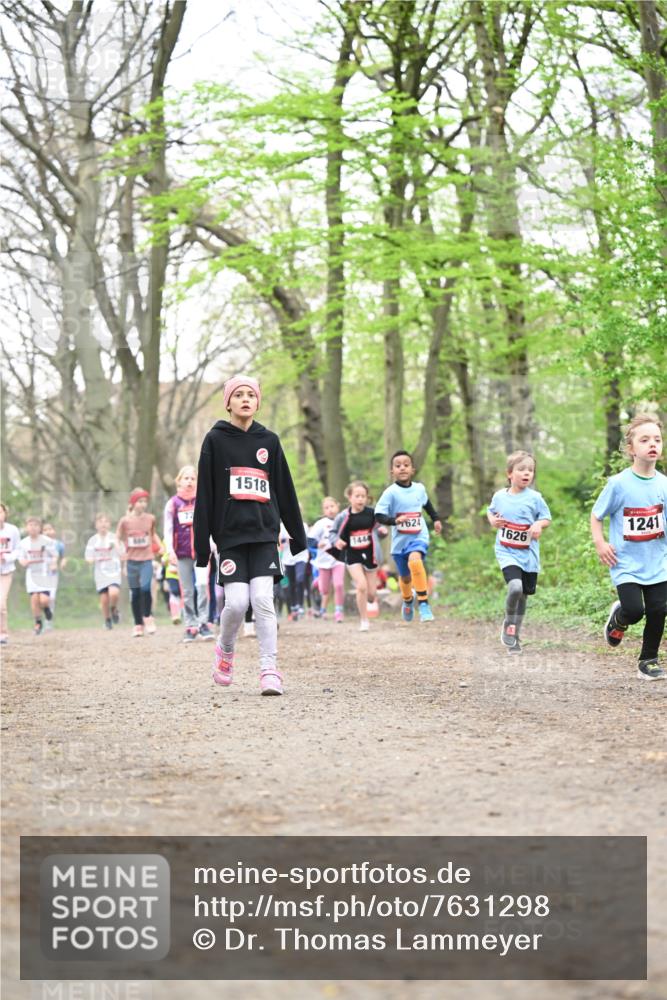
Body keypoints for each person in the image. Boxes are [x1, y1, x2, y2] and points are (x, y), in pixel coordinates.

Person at [194, 374, 307, 695]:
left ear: (258, 402)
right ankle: (225, 649)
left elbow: (284, 489)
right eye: (238, 395)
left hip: (263, 536)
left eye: (251, 395)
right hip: (229, 538)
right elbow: (205, 494)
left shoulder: (269, 441)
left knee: (262, 600)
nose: (245, 399)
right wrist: (203, 545)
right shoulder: (214, 441)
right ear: (228, 403)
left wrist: (298, 537)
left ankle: (269, 669)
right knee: (237, 602)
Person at [591, 414, 667, 681]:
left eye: (657, 439)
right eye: (644, 439)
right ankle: (619, 619)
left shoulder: (664, 484)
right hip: (626, 563)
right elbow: (597, 515)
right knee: (635, 610)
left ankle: (648, 660)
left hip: (658, 562)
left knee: (660, 609)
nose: (652, 444)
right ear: (631, 449)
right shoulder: (619, 484)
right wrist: (600, 543)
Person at [487, 451, 552, 654]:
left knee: (523, 596)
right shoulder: (499, 496)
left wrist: (538, 525)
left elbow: (546, 517)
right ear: (509, 474)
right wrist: (492, 521)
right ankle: (508, 623)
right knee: (515, 587)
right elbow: (491, 511)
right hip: (506, 551)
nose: (527, 474)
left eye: (530, 470)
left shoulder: (535, 498)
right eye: (521, 469)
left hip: (529, 555)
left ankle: (514, 635)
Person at [375, 451, 442, 623]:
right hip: (399, 543)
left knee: (415, 560)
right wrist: (394, 520)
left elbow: (426, 504)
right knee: (405, 577)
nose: (402, 468)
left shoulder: (419, 488)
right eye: (398, 466)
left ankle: (424, 603)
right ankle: (407, 600)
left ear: (413, 469)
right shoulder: (390, 493)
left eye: (406, 465)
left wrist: (436, 519)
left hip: (418, 536)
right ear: (392, 472)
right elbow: (379, 515)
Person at [164, 465, 214, 643]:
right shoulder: (173, 503)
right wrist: (169, 550)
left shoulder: (204, 501)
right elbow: (168, 529)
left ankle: (204, 623)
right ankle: (190, 625)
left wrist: (212, 544)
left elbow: (211, 524)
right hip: (182, 552)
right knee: (187, 589)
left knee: (202, 585)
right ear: (179, 481)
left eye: (193, 478)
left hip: (201, 551)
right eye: (186, 478)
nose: (190, 481)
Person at [331, 481, 384, 631]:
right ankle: (364, 620)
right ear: (350, 497)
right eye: (357, 496)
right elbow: (333, 533)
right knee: (361, 586)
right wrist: (337, 541)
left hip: (370, 554)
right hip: (352, 555)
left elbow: (380, 529)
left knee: (371, 594)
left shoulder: (372, 513)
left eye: (363, 496)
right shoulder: (343, 516)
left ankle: (371, 599)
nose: (360, 499)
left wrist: (382, 532)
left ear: (367, 498)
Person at [116, 489, 162, 638]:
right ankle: (137, 624)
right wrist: (120, 552)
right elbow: (117, 538)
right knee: (135, 593)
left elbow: (153, 534)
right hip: (131, 561)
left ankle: (148, 616)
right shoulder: (125, 521)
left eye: (145, 501)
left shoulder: (150, 518)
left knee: (145, 588)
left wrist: (161, 547)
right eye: (140, 501)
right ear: (133, 503)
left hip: (146, 560)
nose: (143, 504)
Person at [17, 517, 58, 635]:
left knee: (44, 600)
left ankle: (46, 609)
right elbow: (21, 557)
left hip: (44, 574)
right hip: (31, 575)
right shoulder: (23, 543)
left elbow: (54, 554)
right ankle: (38, 622)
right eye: (30, 525)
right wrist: (23, 562)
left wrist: (54, 563)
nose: (33, 527)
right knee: (34, 599)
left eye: (35, 525)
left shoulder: (46, 541)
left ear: (40, 528)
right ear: (26, 527)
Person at [309, 496, 345, 621]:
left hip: (339, 559)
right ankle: (318, 581)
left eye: (332, 506)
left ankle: (338, 611)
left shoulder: (344, 520)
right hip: (324, 560)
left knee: (339, 585)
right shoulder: (321, 524)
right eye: (327, 508)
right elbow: (310, 540)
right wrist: (317, 544)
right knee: (324, 590)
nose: (330, 510)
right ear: (324, 511)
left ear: (338, 506)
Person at [84, 513, 123, 629]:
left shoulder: (114, 537)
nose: (103, 524)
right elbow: (88, 557)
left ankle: (114, 609)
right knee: (104, 599)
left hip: (114, 571)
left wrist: (117, 547)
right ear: (96, 525)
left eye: (106, 521)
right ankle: (107, 619)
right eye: (100, 522)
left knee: (114, 593)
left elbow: (123, 553)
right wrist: (92, 559)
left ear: (110, 524)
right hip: (100, 573)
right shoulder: (92, 540)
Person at [0, 503, 21, 644]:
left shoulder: (12, 530)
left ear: (5, 514)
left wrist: (6, 558)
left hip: (6, 571)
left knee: (1, 603)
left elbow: (18, 550)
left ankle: (3, 633)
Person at [42, 522, 66, 628]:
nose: (48, 532)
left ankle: (48, 620)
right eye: (45, 530)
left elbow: (62, 557)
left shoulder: (59, 544)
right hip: (39, 574)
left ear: (54, 531)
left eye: (50, 529)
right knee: (40, 598)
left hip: (52, 574)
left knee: (51, 597)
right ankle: (38, 619)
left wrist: (62, 563)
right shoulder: (38, 543)